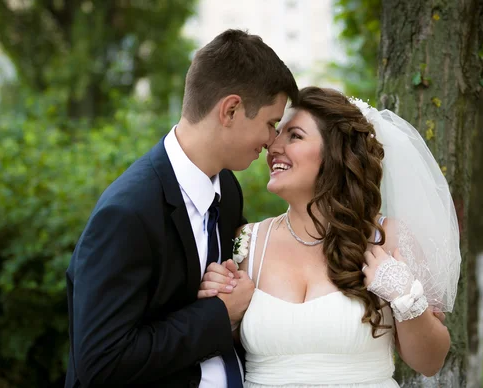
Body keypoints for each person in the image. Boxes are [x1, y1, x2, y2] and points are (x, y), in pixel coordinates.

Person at [64, 29, 298, 388]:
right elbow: (101, 363)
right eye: (270, 124)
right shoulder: (127, 214)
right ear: (231, 109)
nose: (271, 142)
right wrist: (218, 314)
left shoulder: (228, 190)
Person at [199, 87, 462, 387]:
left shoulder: (386, 238)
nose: (273, 146)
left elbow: (429, 362)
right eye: (277, 132)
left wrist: (406, 297)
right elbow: (225, 353)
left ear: (335, 153)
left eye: (294, 136)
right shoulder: (247, 242)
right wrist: (226, 313)